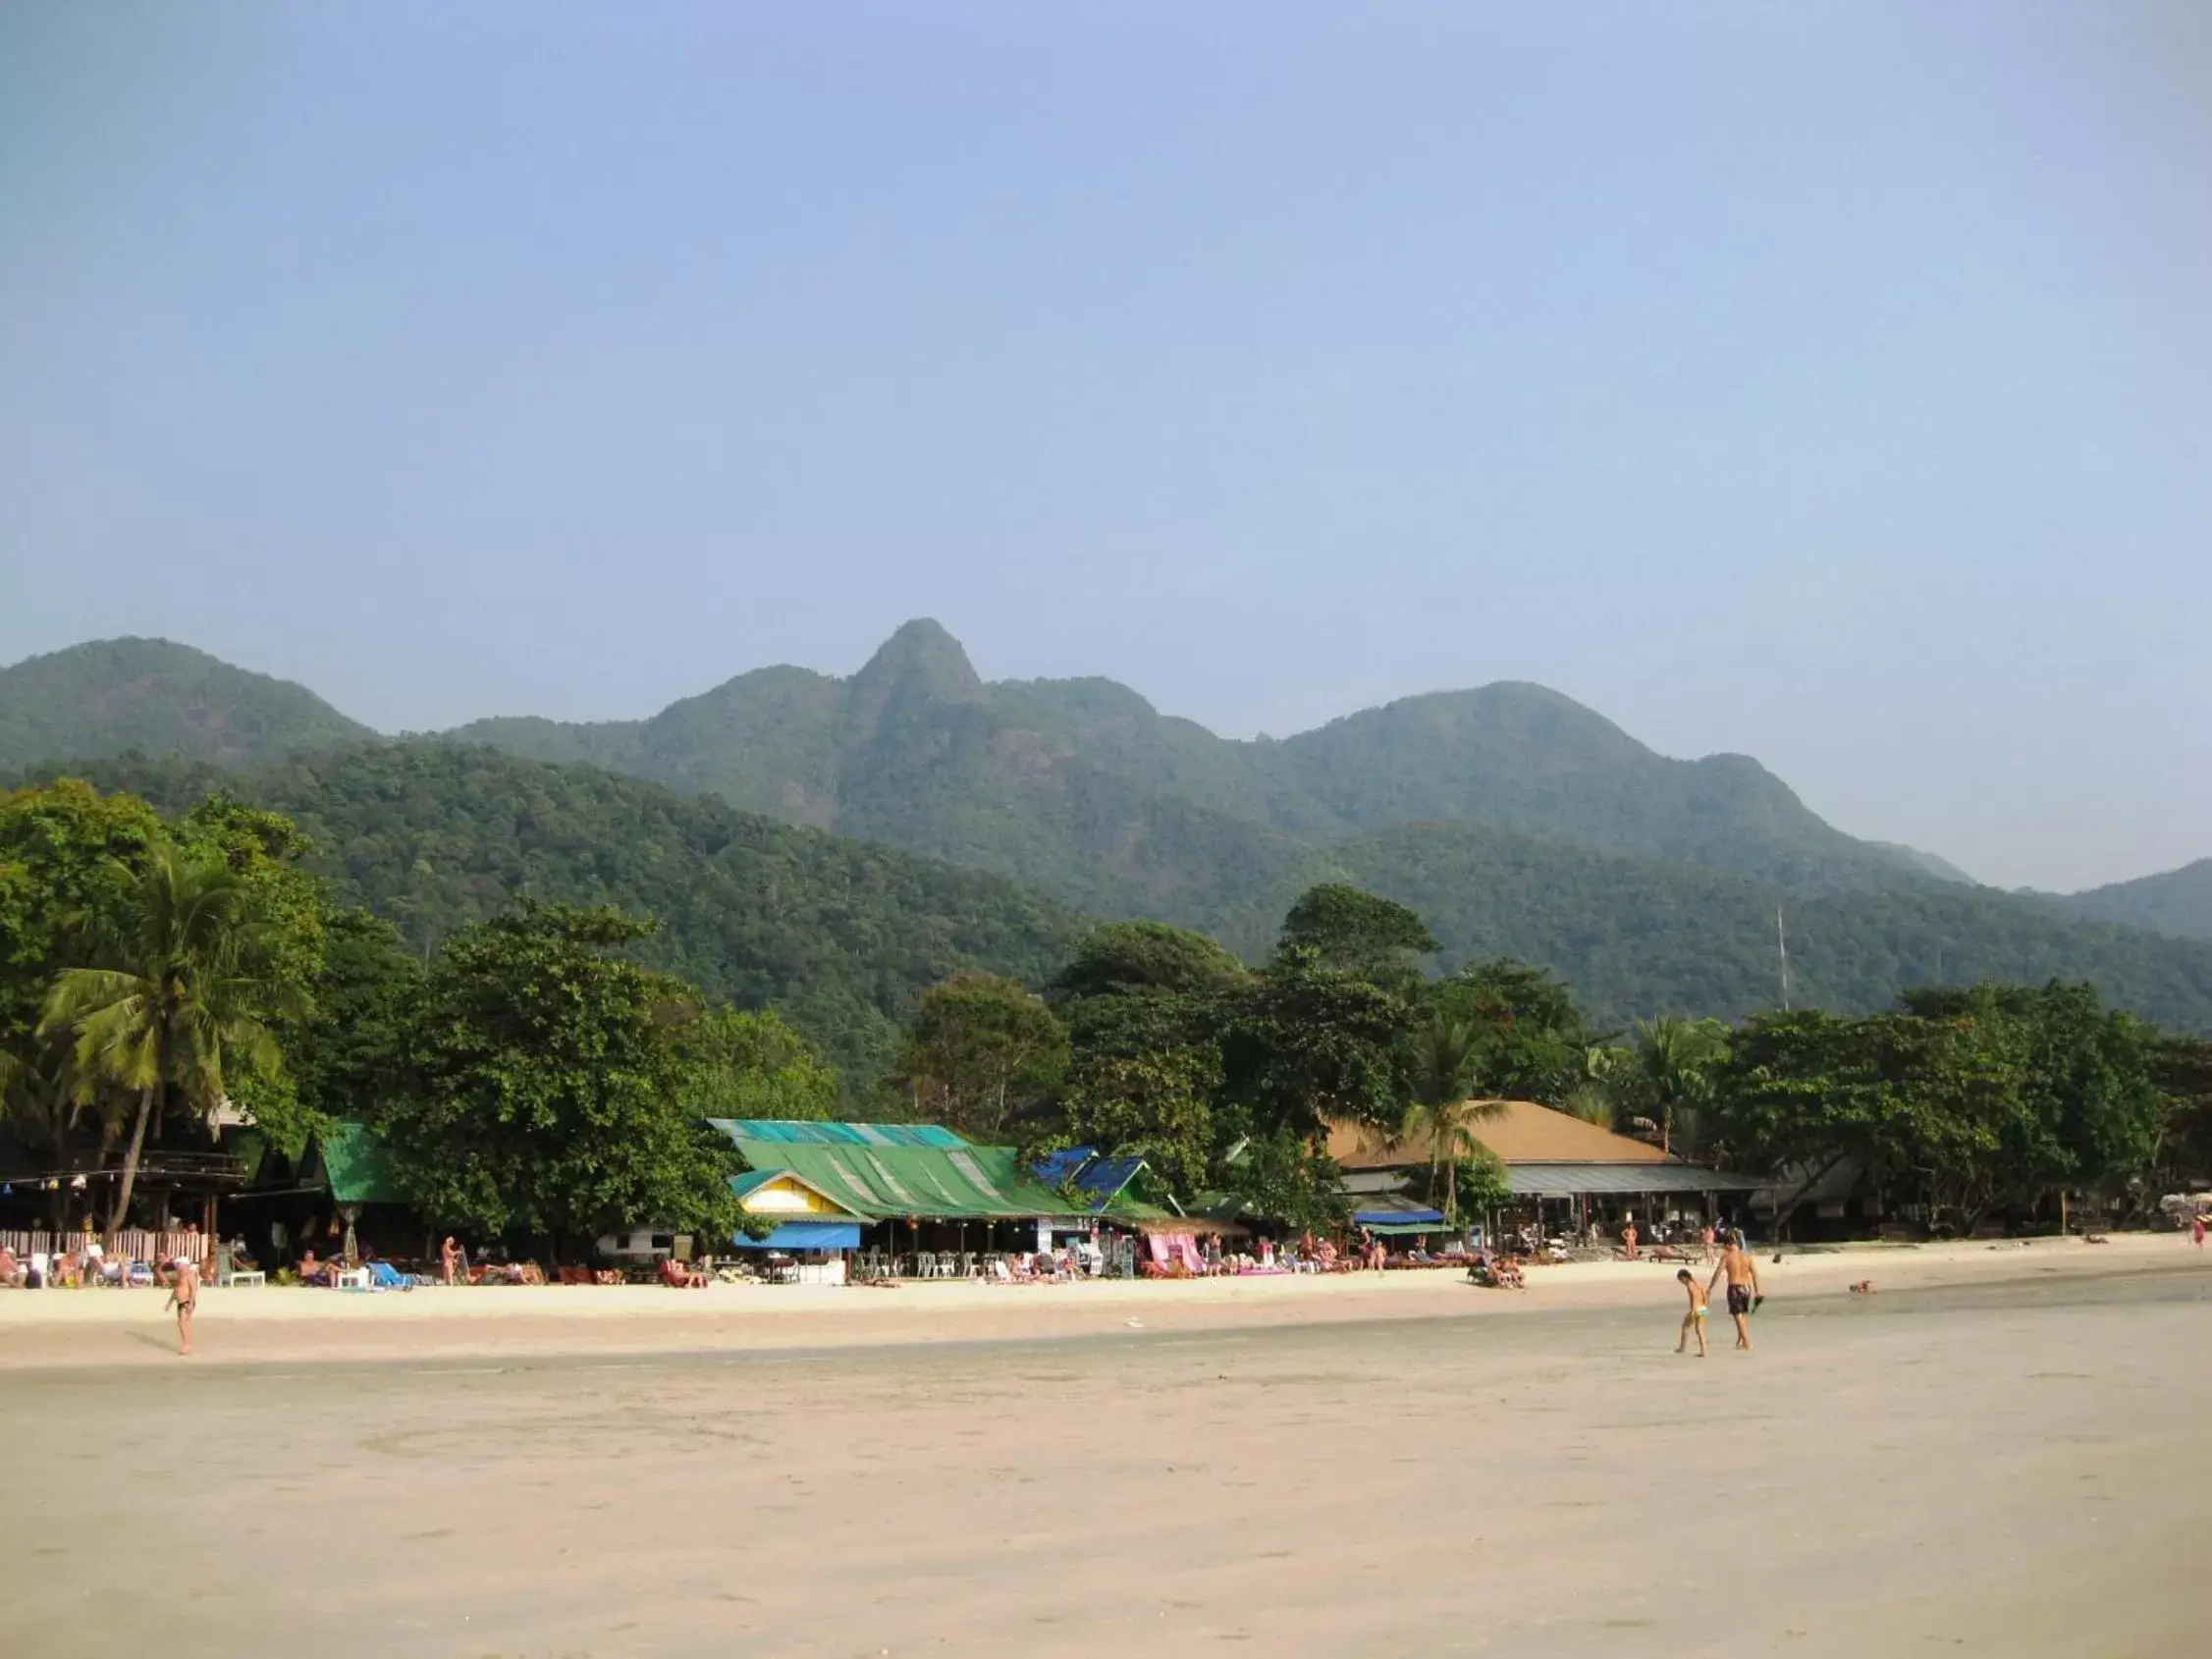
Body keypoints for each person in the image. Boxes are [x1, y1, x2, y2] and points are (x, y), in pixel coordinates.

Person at [1707, 1230, 1762, 1351]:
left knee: (1737, 1316)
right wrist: (1757, 1290)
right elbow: (1755, 1274)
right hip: (1747, 1288)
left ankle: (1747, 1342)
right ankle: (1741, 1341)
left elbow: (1717, 1273)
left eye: (1724, 1246)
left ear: (1728, 1244)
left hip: (1735, 1288)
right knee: (1744, 1314)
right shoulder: (1747, 1255)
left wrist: (1710, 1287)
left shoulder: (1726, 1256)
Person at [166, 1255, 199, 1356]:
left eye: (179, 1264)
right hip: (180, 1302)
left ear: (185, 1265)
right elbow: (176, 1290)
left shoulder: (190, 1274)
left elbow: (194, 1289)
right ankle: (188, 1343)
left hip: (187, 1301)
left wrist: (190, 1303)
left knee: (182, 1323)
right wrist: (169, 1303)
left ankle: (187, 1344)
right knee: (185, 1324)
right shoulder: (180, 1275)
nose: (177, 1266)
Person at [1675, 1268, 1708, 1357]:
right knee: (1699, 1330)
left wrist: (1692, 1311)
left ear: (1684, 1277)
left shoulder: (1690, 1285)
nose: (1681, 1282)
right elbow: (1705, 1294)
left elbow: (1693, 1297)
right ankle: (1703, 1351)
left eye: (1681, 1280)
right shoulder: (1697, 1284)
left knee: (1685, 1326)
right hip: (1703, 1308)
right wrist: (1705, 1305)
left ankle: (1682, 1347)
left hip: (1696, 1308)